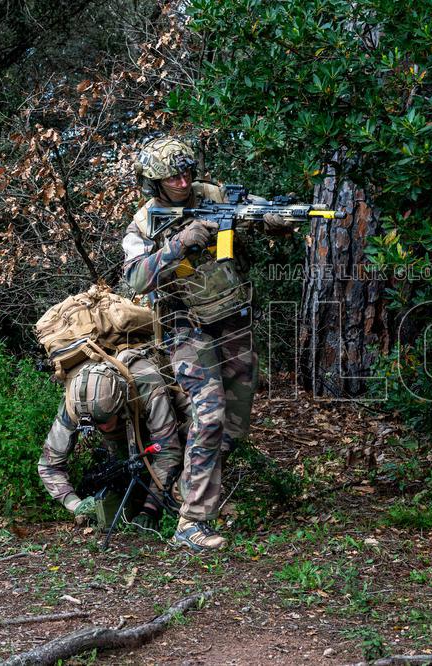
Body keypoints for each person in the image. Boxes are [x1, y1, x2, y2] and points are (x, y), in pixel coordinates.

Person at [121, 136, 292, 552]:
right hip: (186, 328)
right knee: (210, 413)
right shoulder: (143, 223)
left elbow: (257, 211)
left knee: (232, 425)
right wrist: (180, 242)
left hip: (232, 321)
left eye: (186, 173)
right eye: (172, 177)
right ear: (153, 182)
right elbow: (135, 280)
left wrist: (277, 218)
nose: (182, 182)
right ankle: (192, 522)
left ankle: (182, 490)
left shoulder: (213, 195)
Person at [38, 350, 190, 528]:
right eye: (95, 424)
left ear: (120, 402)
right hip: (125, 444)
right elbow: (48, 465)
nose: (101, 427)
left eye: (105, 420)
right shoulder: (74, 406)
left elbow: (167, 452)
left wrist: (150, 509)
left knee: (181, 495)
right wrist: (76, 505)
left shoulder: (147, 384)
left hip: (170, 429)